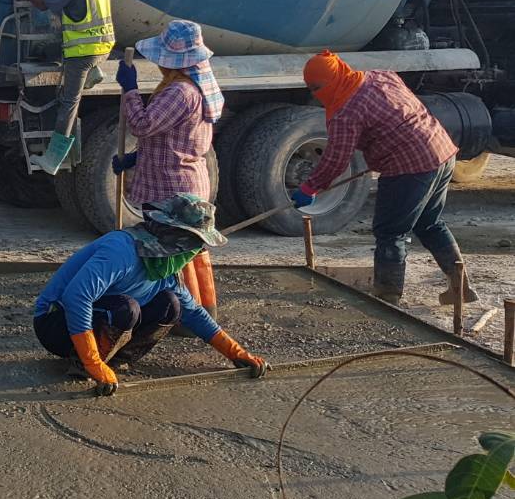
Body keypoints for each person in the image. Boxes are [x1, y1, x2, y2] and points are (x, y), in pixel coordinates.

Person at [33, 193, 267, 395]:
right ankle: (86, 364)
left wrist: (236, 353)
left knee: (170, 305)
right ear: (175, 235)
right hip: (55, 323)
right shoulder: (121, 250)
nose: (196, 251)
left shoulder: (164, 268)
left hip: (101, 317)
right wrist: (92, 362)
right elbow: (76, 297)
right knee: (127, 308)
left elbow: (193, 313)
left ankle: (116, 361)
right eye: (195, 243)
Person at [291, 50, 473, 304]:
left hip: (410, 166)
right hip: (440, 150)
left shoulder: (346, 111)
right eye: (310, 88)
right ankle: (461, 287)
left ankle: (388, 298)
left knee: (390, 232)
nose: (315, 94)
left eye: (317, 87)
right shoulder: (379, 77)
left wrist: (310, 187)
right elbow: (399, 110)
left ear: (333, 78)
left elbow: (335, 159)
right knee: (429, 223)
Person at [113, 19, 225, 317]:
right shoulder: (195, 85)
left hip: (172, 190)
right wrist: (134, 159)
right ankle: (204, 312)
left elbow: (143, 125)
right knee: (193, 250)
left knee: (173, 255)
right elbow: (175, 139)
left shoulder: (181, 92)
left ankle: (184, 316)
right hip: (185, 183)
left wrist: (129, 89)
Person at [10, 0, 115, 174]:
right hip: (104, 47)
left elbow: (43, 5)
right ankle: (94, 71)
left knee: (69, 103)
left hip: (82, 52)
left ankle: (53, 159)